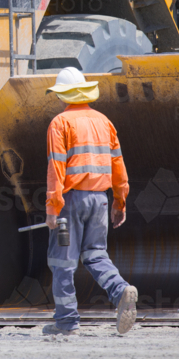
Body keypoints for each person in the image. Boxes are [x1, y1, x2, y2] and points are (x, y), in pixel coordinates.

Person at [42, 67, 137, 336]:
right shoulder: (104, 122)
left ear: (63, 95)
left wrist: (52, 208)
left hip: (70, 204)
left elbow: (56, 169)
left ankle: (66, 323)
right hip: (100, 201)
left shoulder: (59, 123)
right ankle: (121, 291)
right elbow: (118, 165)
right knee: (96, 255)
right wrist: (120, 202)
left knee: (63, 261)